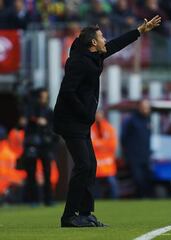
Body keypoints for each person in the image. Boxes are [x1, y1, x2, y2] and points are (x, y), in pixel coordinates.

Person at [53, 16, 161, 228]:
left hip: (81, 122)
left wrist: (140, 30)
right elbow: (67, 91)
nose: (105, 39)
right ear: (93, 43)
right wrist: (85, 113)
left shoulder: (95, 56)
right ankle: (69, 216)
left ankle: (85, 213)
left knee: (90, 165)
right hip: (70, 121)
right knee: (84, 165)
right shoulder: (78, 61)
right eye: (101, 37)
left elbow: (116, 44)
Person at [23, 88, 56, 206]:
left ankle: (49, 199)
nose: (43, 99)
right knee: (31, 173)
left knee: (47, 172)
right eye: (42, 96)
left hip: (45, 144)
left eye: (45, 97)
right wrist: (37, 120)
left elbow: (53, 127)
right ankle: (33, 199)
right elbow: (26, 120)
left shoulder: (49, 111)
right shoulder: (31, 109)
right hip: (33, 143)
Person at [121, 100, 153, 198]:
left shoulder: (148, 120)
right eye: (144, 107)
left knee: (147, 178)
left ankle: (145, 197)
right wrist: (127, 154)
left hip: (146, 156)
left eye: (147, 107)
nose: (146, 109)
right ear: (138, 107)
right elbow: (123, 138)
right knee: (138, 179)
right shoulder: (131, 120)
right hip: (134, 157)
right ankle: (139, 197)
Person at [91, 111, 119, 199]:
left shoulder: (109, 128)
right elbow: (91, 144)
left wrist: (99, 145)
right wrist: (103, 144)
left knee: (112, 182)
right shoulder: (90, 128)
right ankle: (96, 200)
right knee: (95, 184)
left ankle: (115, 200)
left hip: (107, 162)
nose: (98, 116)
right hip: (96, 161)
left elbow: (112, 144)